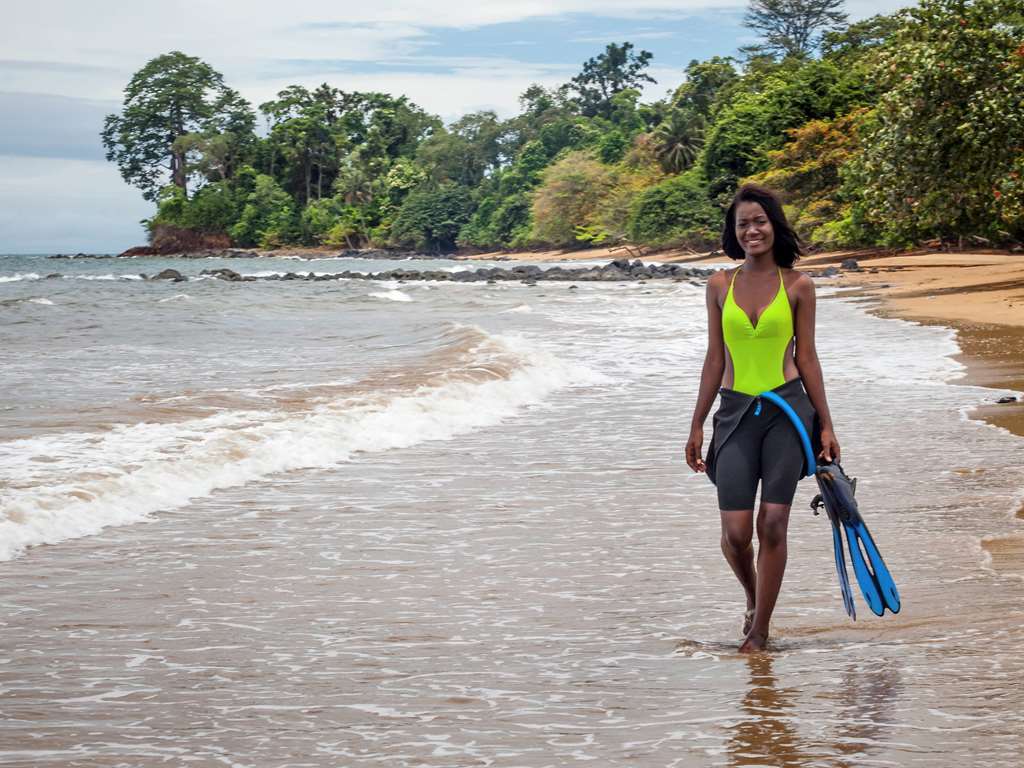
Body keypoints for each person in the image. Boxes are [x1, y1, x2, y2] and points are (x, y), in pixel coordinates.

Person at [685, 184, 840, 653]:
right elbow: (715, 358)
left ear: (773, 225)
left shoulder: (798, 286)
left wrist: (827, 425)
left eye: (759, 221)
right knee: (735, 535)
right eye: (742, 224)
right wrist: (696, 423)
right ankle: (753, 598)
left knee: (772, 524)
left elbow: (808, 357)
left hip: (788, 413)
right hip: (734, 413)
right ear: (733, 234)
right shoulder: (718, 285)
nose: (752, 230)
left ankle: (760, 631)